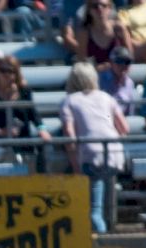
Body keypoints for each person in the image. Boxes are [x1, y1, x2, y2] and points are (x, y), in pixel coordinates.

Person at [60, 62, 128, 234]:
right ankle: (108, 232)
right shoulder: (107, 97)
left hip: (91, 155)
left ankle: (103, 244)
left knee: (94, 210)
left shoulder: (69, 101)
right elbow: (124, 128)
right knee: (106, 203)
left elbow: (69, 134)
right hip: (114, 154)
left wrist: (75, 163)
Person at [100, 46, 137, 115]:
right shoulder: (100, 79)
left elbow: (130, 111)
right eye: (119, 61)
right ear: (111, 63)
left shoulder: (130, 83)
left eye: (127, 62)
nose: (123, 65)